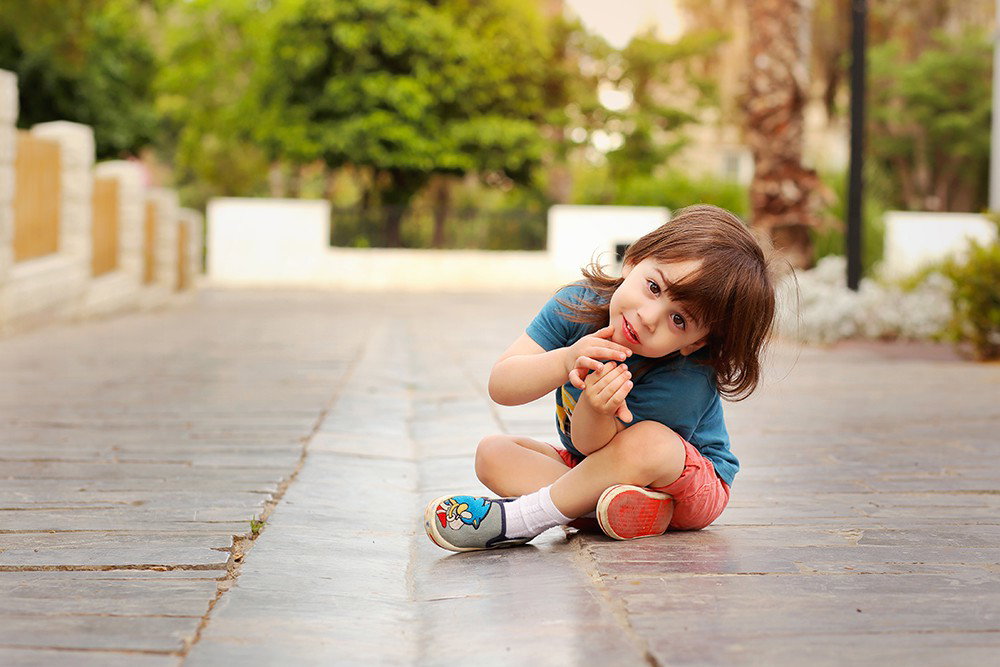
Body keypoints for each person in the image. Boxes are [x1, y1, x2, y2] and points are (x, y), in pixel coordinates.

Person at [424, 204, 777, 552]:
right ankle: (619, 512)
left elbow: (609, 451)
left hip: (682, 484)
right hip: (596, 470)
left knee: (649, 440)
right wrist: (566, 359)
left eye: (679, 320)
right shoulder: (577, 303)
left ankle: (522, 518)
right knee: (493, 453)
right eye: (654, 287)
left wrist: (596, 405)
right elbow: (502, 385)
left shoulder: (686, 377)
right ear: (634, 261)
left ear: (695, 343)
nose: (650, 317)